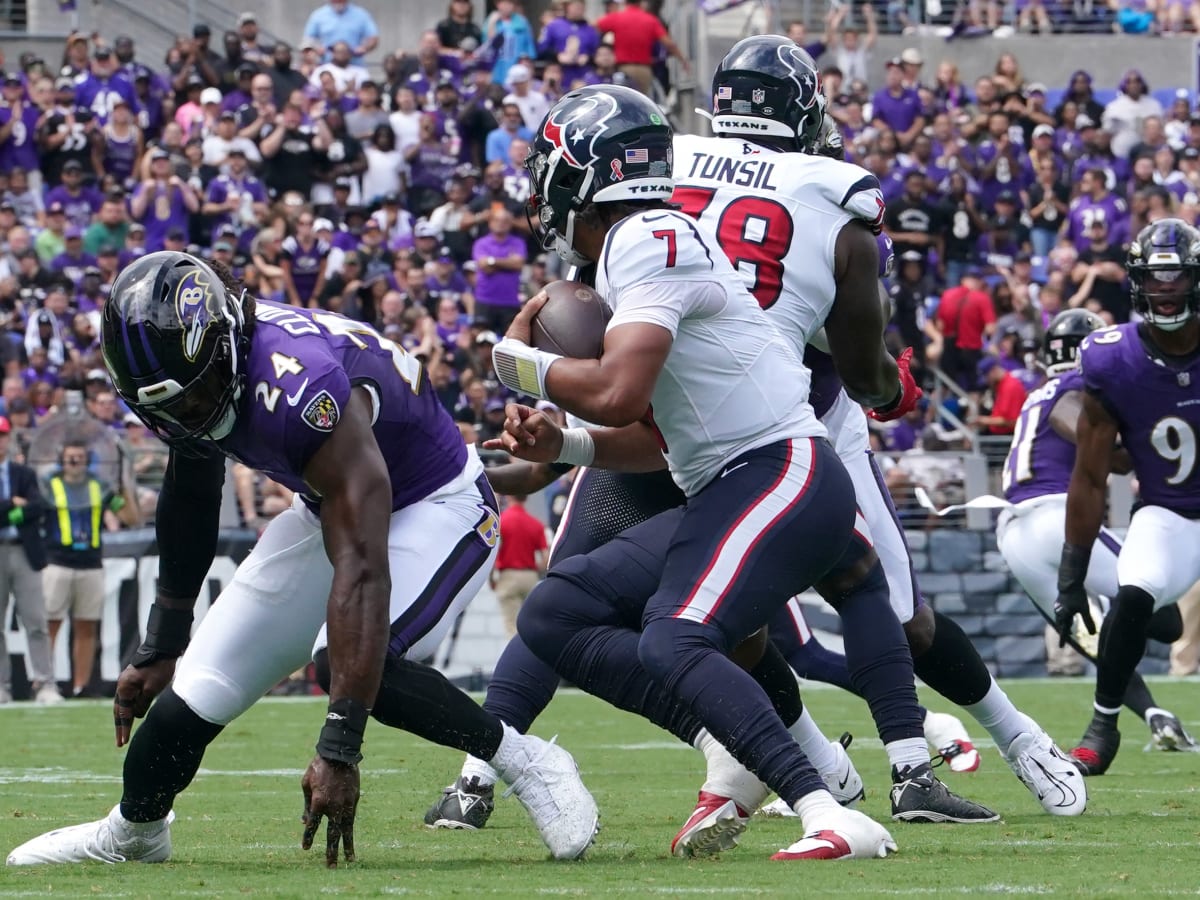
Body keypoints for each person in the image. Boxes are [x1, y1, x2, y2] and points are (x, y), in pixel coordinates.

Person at [6, 252, 597, 867]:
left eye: (197, 394)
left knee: (359, 666)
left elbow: (363, 567)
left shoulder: (300, 385)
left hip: (435, 505)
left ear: (226, 340)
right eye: (171, 408)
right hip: (328, 506)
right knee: (192, 697)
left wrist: (339, 747)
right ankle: (133, 835)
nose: (190, 415)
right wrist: (163, 641)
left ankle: (526, 761)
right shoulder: (190, 375)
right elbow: (191, 494)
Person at [492, 82, 923, 862]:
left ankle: (826, 809)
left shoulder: (645, 236)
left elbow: (618, 393)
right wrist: (565, 446)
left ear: (585, 176)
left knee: (674, 636)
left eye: (551, 170)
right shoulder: (648, 243)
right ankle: (775, 755)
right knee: (555, 611)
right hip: (738, 478)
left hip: (781, 474)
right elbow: (664, 438)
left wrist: (517, 365)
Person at [674, 37, 1081, 820]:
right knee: (881, 606)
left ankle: (982, 739)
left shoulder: (669, 167)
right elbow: (862, 370)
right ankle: (955, 750)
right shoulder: (836, 195)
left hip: (680, 413)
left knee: (700, 621)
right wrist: (893, 388)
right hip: (801, 414)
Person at [997, 309, 1194, 752]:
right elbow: (1090, 439)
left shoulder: (1035, 393)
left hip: (1012, 534)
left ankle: (1153, 714)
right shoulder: (1081, 386)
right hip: (1052, 516)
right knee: (1163, 619)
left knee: (1091, 635)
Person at [1055, 219, 1200, 776]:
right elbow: (1089, 478)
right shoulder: (1113, 359)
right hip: (1169, 511)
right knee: (1134, 593)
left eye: (1177, 278)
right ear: (1138, 283)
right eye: (1154, 280)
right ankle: (1104, 721)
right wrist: (1071, 578)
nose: (1165, 291)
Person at [42, 439, 131, 698]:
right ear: (62, 459)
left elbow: (128, 515)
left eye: (79, 456)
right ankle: (45, 682)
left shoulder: (98, 486)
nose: (75, 461)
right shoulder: (50, 484)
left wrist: (126, 484)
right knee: (51, 623)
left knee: (86, 626)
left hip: (91, 563)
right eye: (70, 457)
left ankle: (81, 686)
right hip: (57, 561)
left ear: (87, 459)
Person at [0, 415, 59, 706]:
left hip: (24, 551)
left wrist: (14, 512)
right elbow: (26, 506)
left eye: (2, 435)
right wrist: (12, 504)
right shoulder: (19, 480)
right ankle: (2, 686)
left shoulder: (22, 472)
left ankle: (45, 683)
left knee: (36, 620)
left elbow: (38, 506)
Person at [492, 493, 548, 638]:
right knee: (530, 625)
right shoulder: (536, 523)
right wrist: (536, 571)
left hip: (508, 576)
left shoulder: (502, 521)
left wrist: (492, 578)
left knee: (512, 629)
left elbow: (493, 553)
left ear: (509, 496)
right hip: (530, 577)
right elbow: (546, 557)